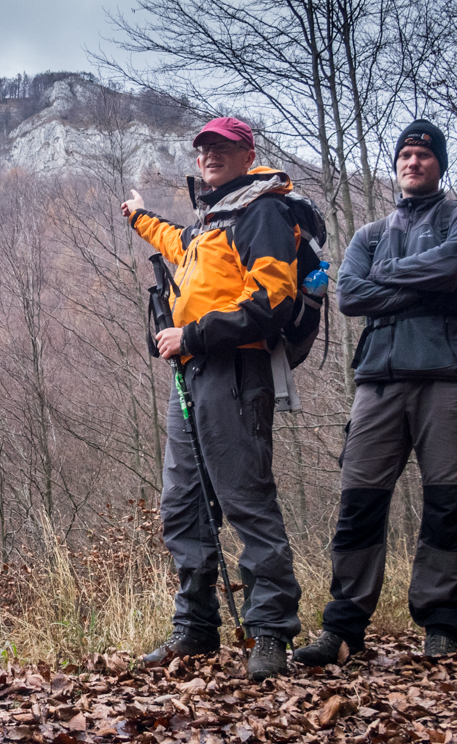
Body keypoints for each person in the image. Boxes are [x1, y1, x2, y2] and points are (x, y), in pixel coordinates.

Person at [293, 119, 457, 665]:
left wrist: (392, 283)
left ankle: (442, 625)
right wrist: (423, 286)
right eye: (404, 154)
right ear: (396, 164)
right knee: (359, 501)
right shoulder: (369, 236)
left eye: (424, 155)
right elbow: (351, 296)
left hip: (449, 374)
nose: (413, 162)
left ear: (439, 164)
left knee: (446, 501)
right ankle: (344, 627)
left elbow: (455, 267)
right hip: (379, 380)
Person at [121, 117, 302, 679]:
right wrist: (139, 217)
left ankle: (270, 632)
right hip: (193, 375)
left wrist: (191, 334)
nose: (209, 155)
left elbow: (273, 297)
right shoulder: (213, 222)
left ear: (248, 153)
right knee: (182, 503)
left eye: (221, 147)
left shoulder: (263, 210)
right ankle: (195, 629)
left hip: (236, 369)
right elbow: (180, 244)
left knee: (246, 499)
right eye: (202, 148)